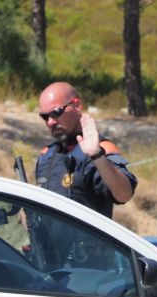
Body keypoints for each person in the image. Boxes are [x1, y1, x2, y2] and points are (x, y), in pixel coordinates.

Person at [35, 81, 137, 219]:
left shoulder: (101, 150)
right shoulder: (46, 155)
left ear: (77, 106)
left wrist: (97, 156)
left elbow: (124, 194)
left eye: (56, 113)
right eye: (45, 116)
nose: (50, 122)